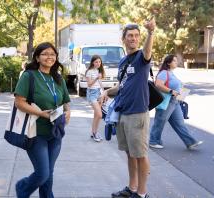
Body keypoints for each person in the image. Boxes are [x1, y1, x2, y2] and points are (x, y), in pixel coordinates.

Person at [101, 18, 156, 198]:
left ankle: (141, 193)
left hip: (137, 113)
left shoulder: (142, 57)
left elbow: (148, 51)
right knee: (130, 154)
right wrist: (107, 92)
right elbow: (121, 86)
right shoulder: (124, 60)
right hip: (123, 113)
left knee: (140, 154)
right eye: (129, 35)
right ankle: (132, 188)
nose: (133, 38)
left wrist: (151, 32)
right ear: (123, 39)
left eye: (136, 35)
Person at [14, 42, 71, 198]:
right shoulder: (29, 76)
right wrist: (41, 113)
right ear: (37, 57)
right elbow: (19, 102)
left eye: (52, 54)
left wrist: (68, 112)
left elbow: (66, 101)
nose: (49, 57)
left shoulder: (58, 78)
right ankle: (22, 187)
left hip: (55, 132)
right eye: (45, 54)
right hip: (35, 132)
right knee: (42, 173)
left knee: (49, 172)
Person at [149, 55, 203, 149]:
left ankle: (190, 142)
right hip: (166, 101)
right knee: (160, 121)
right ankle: (153, 141)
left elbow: (175, 86)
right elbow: (158, 85)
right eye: (174, 61)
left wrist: (182, 94)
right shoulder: (164, 73)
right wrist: (171, 91)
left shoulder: (171, 73)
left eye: (176, 60)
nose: (176, 62)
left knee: (179, 123)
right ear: (168, 63)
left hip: (175, 102)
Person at [85, 55, 105, 142]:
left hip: (99, 93)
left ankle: (94, 132)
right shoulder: (89, 72)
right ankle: (94, 133)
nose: (98, 63)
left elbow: (100, 83)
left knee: (96, 115)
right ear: (93, 62)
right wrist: (97, 78)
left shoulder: (98, 71)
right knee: (100, 115)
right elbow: (89, 84)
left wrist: (104, 93)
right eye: (96, 62)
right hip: (92, 94)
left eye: (99, 62)